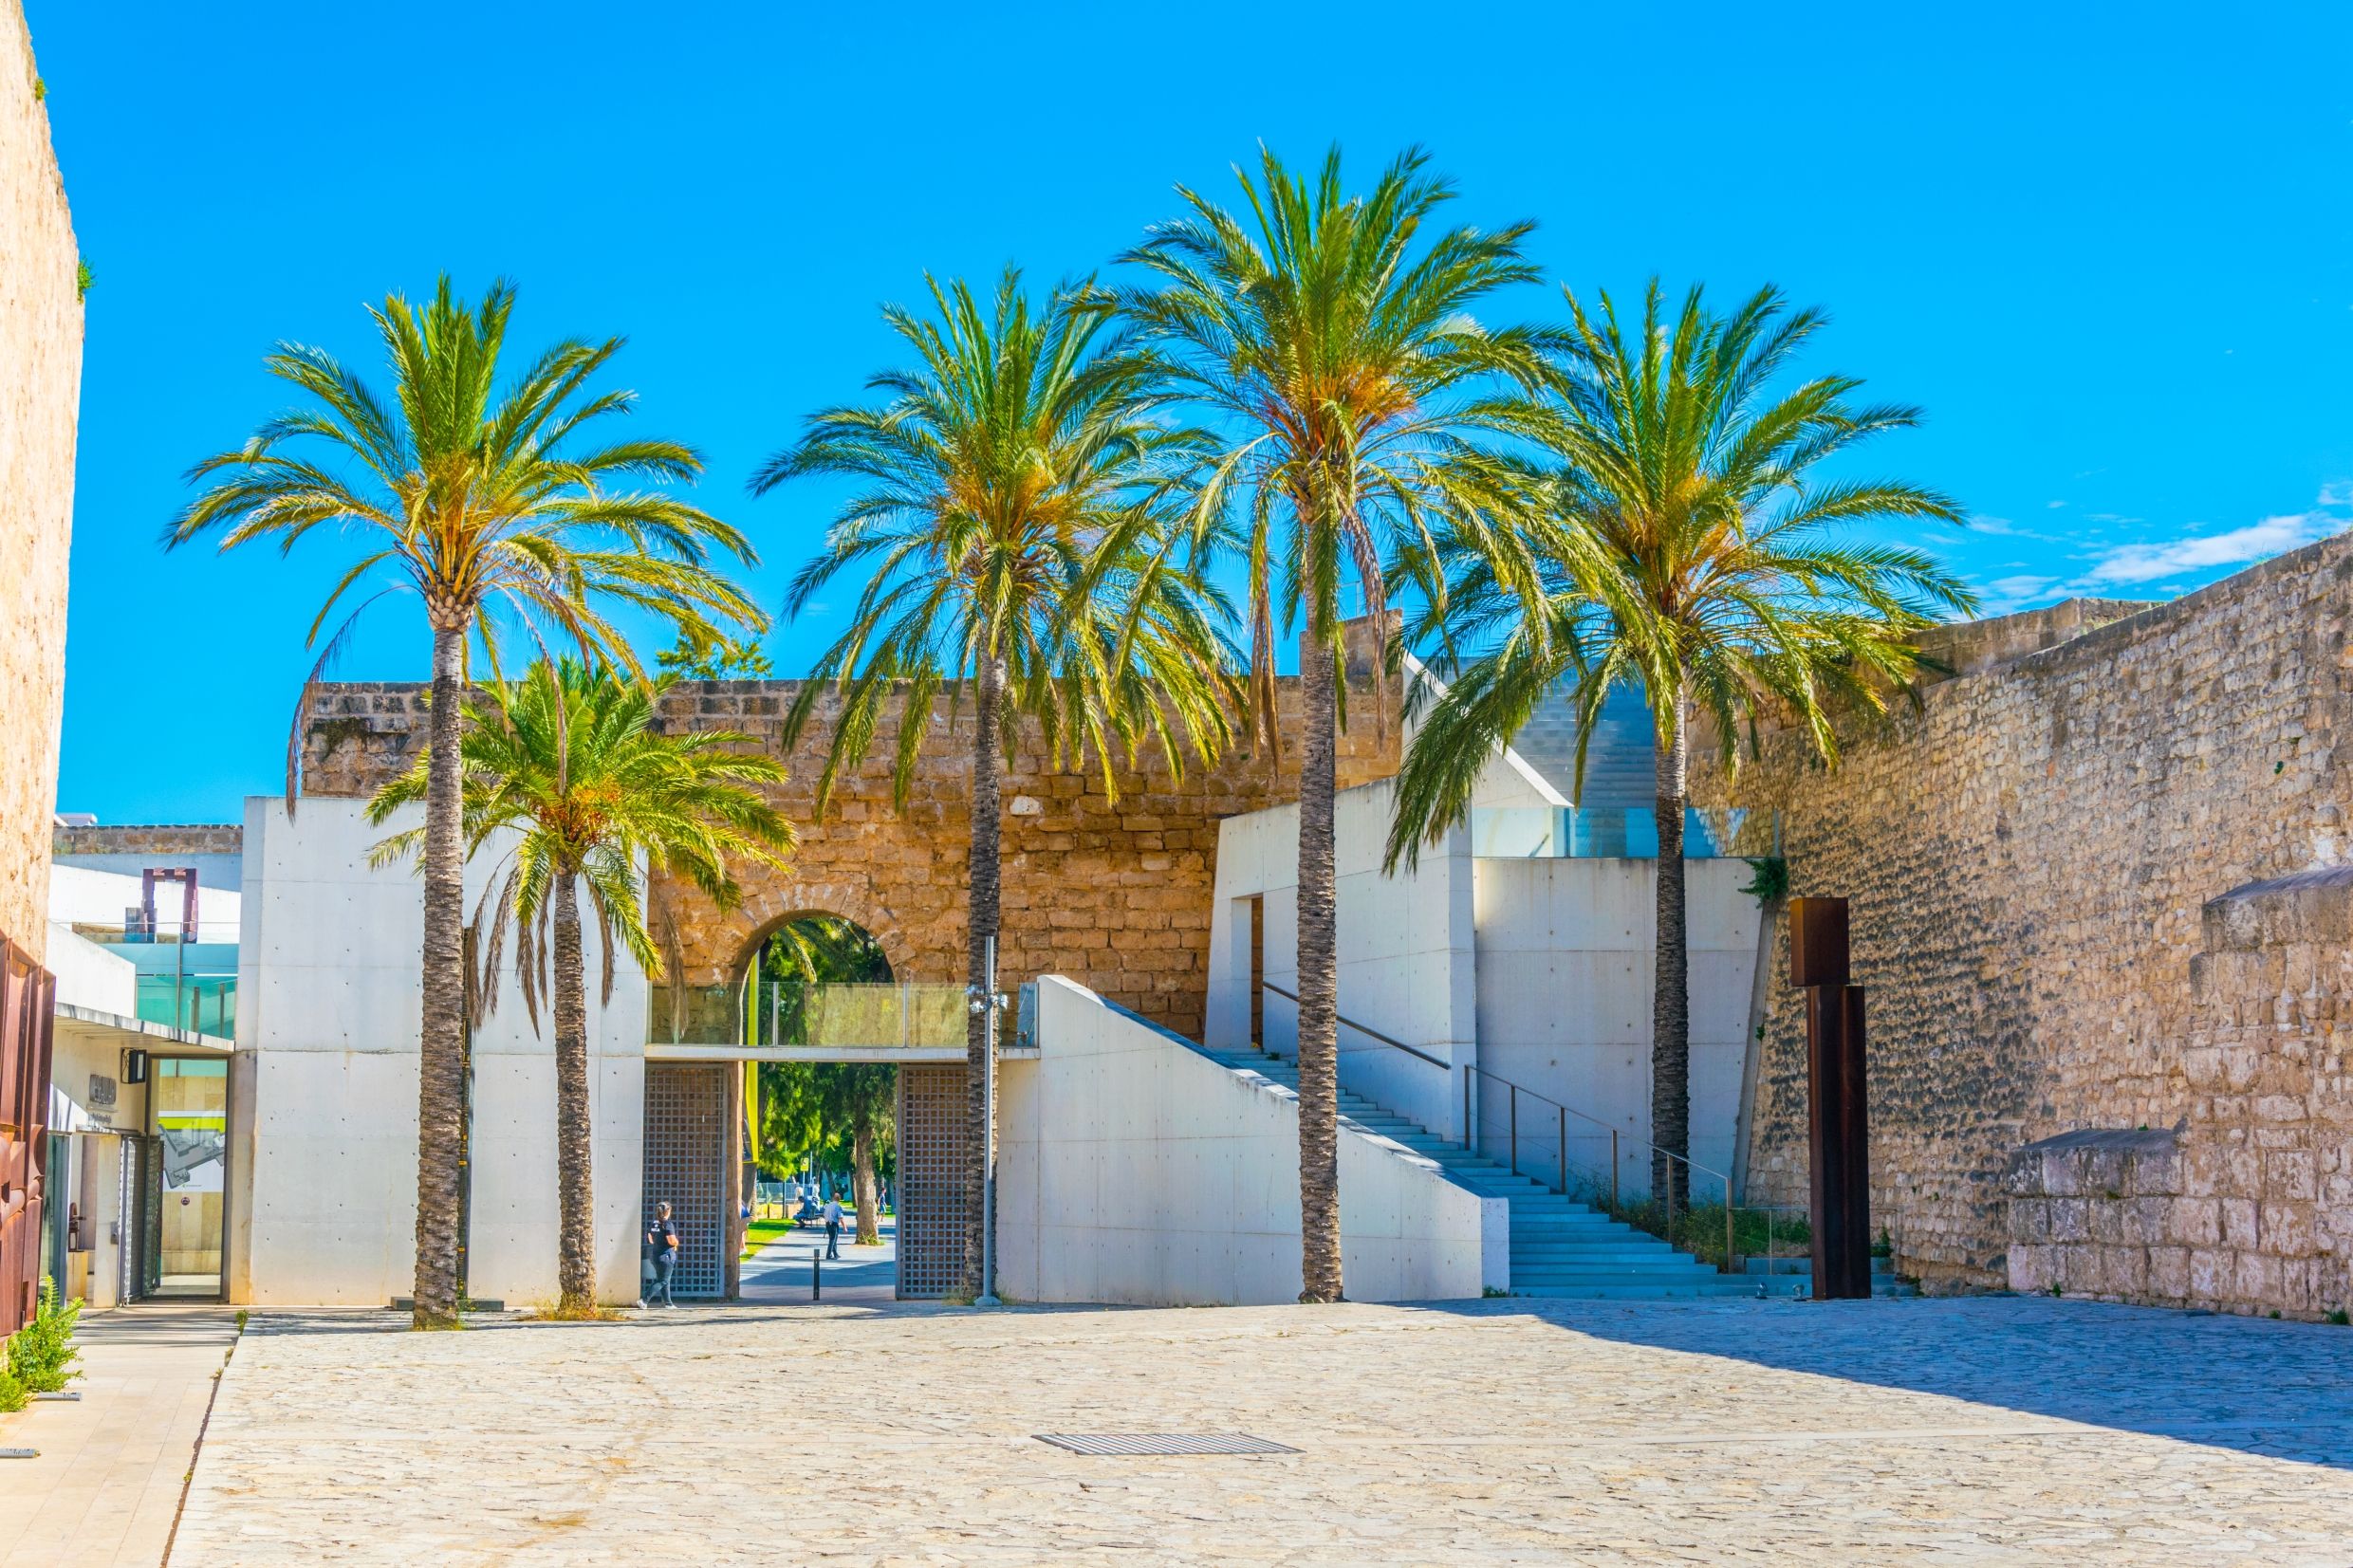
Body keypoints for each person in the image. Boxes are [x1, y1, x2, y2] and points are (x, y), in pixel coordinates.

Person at [641, 1200, 679, 1308]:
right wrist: (676, 1242)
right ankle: (644, 1300)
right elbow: (671, 1240)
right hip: (666, 1256)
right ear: (668, 1211)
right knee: (663, 1280)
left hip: (655, 1255)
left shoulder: (654, 1223)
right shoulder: (667, 1224)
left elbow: (650, 1239)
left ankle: (668, 1303)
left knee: (664, 1279)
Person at [823, 1193, 844, 1260]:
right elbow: (840, 1217)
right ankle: (828, 1255)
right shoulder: (838, 1206)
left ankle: (835, 1254)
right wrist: (845, 1227)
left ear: (833, 1198)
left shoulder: (828, 1205)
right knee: (832, 1240)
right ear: (839, 1199)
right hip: (834, 1224)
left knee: (832, 1239)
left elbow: (824, 1215)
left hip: (827, 1224)